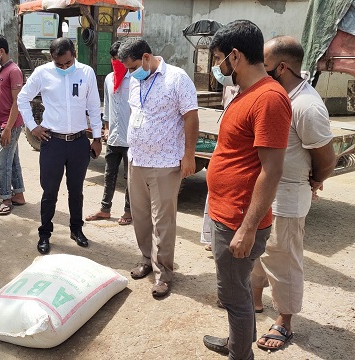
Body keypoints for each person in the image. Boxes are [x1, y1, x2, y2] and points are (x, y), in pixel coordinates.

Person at [201, 20, 292, 360]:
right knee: (236, 291)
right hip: (227, 213)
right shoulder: (245, 93)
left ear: (235, 56)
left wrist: (247, 228)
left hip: (240, 221)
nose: (217, 65)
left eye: (219, 57)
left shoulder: (269, 99)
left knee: (233, 295)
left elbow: (272, 170)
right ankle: (236, 342)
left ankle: (241, 354)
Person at [250, 35, 336, 351]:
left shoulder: (306, 106)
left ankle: (284, 321)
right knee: (258, 251)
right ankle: (255, 301)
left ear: (282, 67)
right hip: (264, 193)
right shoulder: (276, 97)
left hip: (287, 197)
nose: (259, 69)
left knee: (284, 259)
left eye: (265, 64)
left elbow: (326, 159)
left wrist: (315, 180)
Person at [117, 39, 199, 298]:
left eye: (132, 67)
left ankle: (163, 273)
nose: (130, 73)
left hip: (164, 163)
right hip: (137, 160)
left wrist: (188, 155)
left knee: (162, 220)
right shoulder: (136, 81)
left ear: (145, 57)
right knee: (140, 216)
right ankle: (146, 259)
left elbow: (191, 117)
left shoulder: (177, 78)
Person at [17, 37, 102, 254]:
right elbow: (22, 98)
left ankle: (77, 230)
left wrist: (98, 138)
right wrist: (33, 126)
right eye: (59, 64)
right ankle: (44, 233)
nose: (64, 67)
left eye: (67, 63)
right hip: (52, 142)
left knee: (76, 190)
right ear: (52, 59)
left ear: (74, 54)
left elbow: (93, 106)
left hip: (78, 143)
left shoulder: (86, 73)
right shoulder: (43, 73)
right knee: (50, 192)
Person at [85, 41, 133, 226]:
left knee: (130, 178)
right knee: (109, 174)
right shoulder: (109, 79)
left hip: (131, 139)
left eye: (118, 59)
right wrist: (106, 127)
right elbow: (107, 105)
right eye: (113, 59)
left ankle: (129, 211)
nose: (115, 62)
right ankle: (105, 209)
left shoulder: (135, 79)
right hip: (113, 136)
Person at [0, 34, 26, 216]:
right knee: (12, 160)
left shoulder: (13, 71)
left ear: (0, 51)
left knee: (2, 162)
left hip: (11, 124)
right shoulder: (4, 69)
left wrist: (7, 128)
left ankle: (6, 198)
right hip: (4, 122)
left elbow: (17, 102)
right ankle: (18, 195)